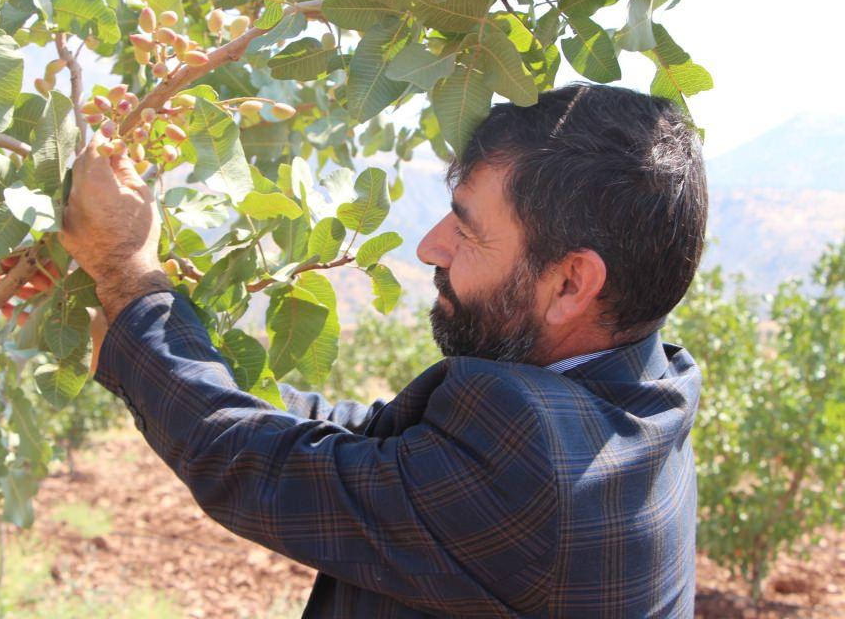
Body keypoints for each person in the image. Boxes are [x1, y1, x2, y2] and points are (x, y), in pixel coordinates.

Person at [56, 83, 707, 617]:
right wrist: (142, 326)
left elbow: (261, 470)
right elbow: (365, 444)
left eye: (469, 230)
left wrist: (125, 272)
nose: (430, 247)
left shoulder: (535, 458)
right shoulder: (651, 388)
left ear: (570, 282)